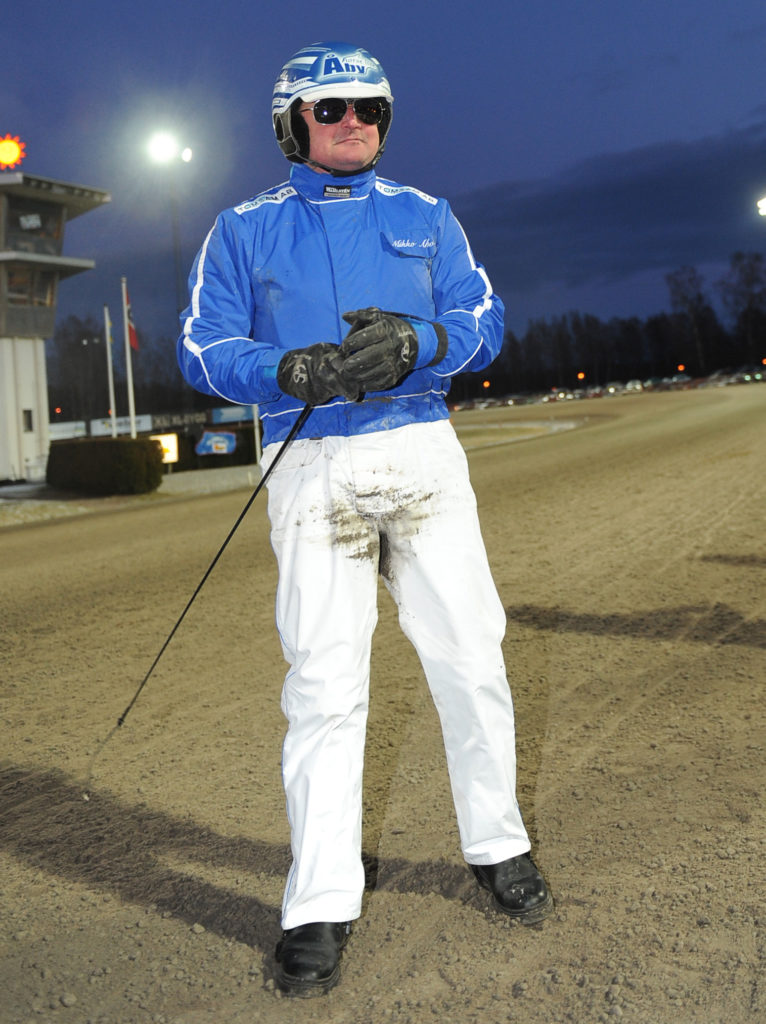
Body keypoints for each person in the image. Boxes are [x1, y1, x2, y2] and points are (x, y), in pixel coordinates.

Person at [177, 41, 553, 997]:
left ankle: (498, 845)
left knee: (472, 657)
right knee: (324, 684)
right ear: (290, 123)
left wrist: (420, 341)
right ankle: (318, 902)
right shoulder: (242, 229)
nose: (355, 124)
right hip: (311, 463)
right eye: (333, 108)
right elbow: (202, 347)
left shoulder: (429, 215)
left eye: (372, 109)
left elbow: (483, 322)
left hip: (422, 450)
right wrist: (284, 368)